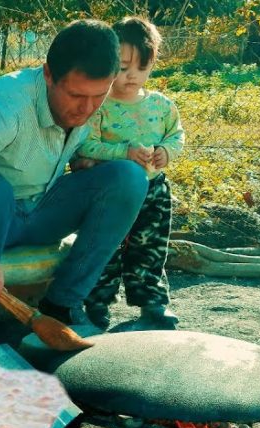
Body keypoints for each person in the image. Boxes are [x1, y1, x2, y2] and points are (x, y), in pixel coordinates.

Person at [0, 19, 150, 357]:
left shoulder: (96, 101)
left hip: (45, 210)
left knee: (128, 178)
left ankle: (62, 306)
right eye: (75, 96)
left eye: (98, 96)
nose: (87, 109)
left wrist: (84, 163)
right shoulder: (4, 104)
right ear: (47, 75)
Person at [74, 16, 185, 331]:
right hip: (112, 195)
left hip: (153, 192)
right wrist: (122, 152)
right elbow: (86, 147)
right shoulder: (100, 107)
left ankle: (153, 305)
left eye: (142, 67)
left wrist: (167, 151)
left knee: (150, 248)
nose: (132, 75)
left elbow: (176, 135)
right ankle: (96, 308)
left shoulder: (162, 106)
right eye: (122, 68)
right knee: (104, 248)